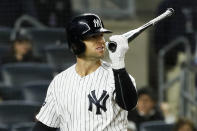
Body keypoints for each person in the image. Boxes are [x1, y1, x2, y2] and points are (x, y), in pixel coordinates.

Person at [32, 13, 138, 131]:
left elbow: (128, 104)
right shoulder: (59, 82)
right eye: (93, 37)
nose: (101, 41)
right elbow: (44, 126)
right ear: (76, 43)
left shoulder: (117, 76)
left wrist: (119, 63)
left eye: (101, 35)